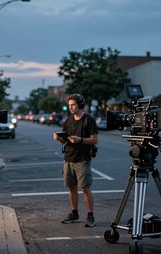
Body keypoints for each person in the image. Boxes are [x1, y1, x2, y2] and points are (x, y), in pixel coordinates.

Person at [53, 94, 98, 227]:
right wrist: (58, 138)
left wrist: (81, 139)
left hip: (82, 159)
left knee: (85, 188)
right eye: (69, 105)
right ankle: (74, 213)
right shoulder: (68, 121)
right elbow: (65, 140)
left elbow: (94, 139)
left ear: (80, 105)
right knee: (71, 188)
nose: (71, 107)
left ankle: (90, 216)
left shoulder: (88, 120)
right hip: (68, 158)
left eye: (73, 105)